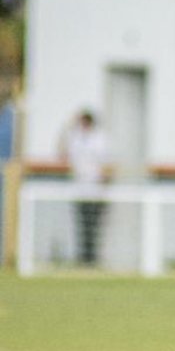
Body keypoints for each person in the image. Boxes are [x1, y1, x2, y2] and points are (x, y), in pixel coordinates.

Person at [59, 110, 109, 266]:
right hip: (79, 188)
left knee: (93, 225)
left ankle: (93, 259)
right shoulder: (75, 138)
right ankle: (82, 257)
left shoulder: (100, 139)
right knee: (81, 224)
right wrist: (67, 126)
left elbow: (106, 164)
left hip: (95, 189)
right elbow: (62, 152)